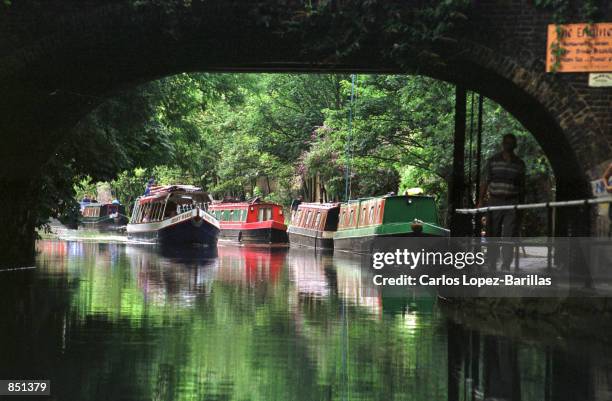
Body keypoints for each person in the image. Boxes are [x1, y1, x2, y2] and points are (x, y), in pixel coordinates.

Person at [477, 134, 526, 271]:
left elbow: (522, 186)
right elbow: (485, 181)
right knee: (493, 232)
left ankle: (506, 264)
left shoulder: (519, 164)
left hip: (512, 201)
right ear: (503, 144)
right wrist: (480, 201)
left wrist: (521, 206)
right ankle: (492, 262)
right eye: (506, 143)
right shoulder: (493, 161)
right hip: (495, 200)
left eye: (511, 143)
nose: (508, 145)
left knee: (509, 234)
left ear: (514, 145)